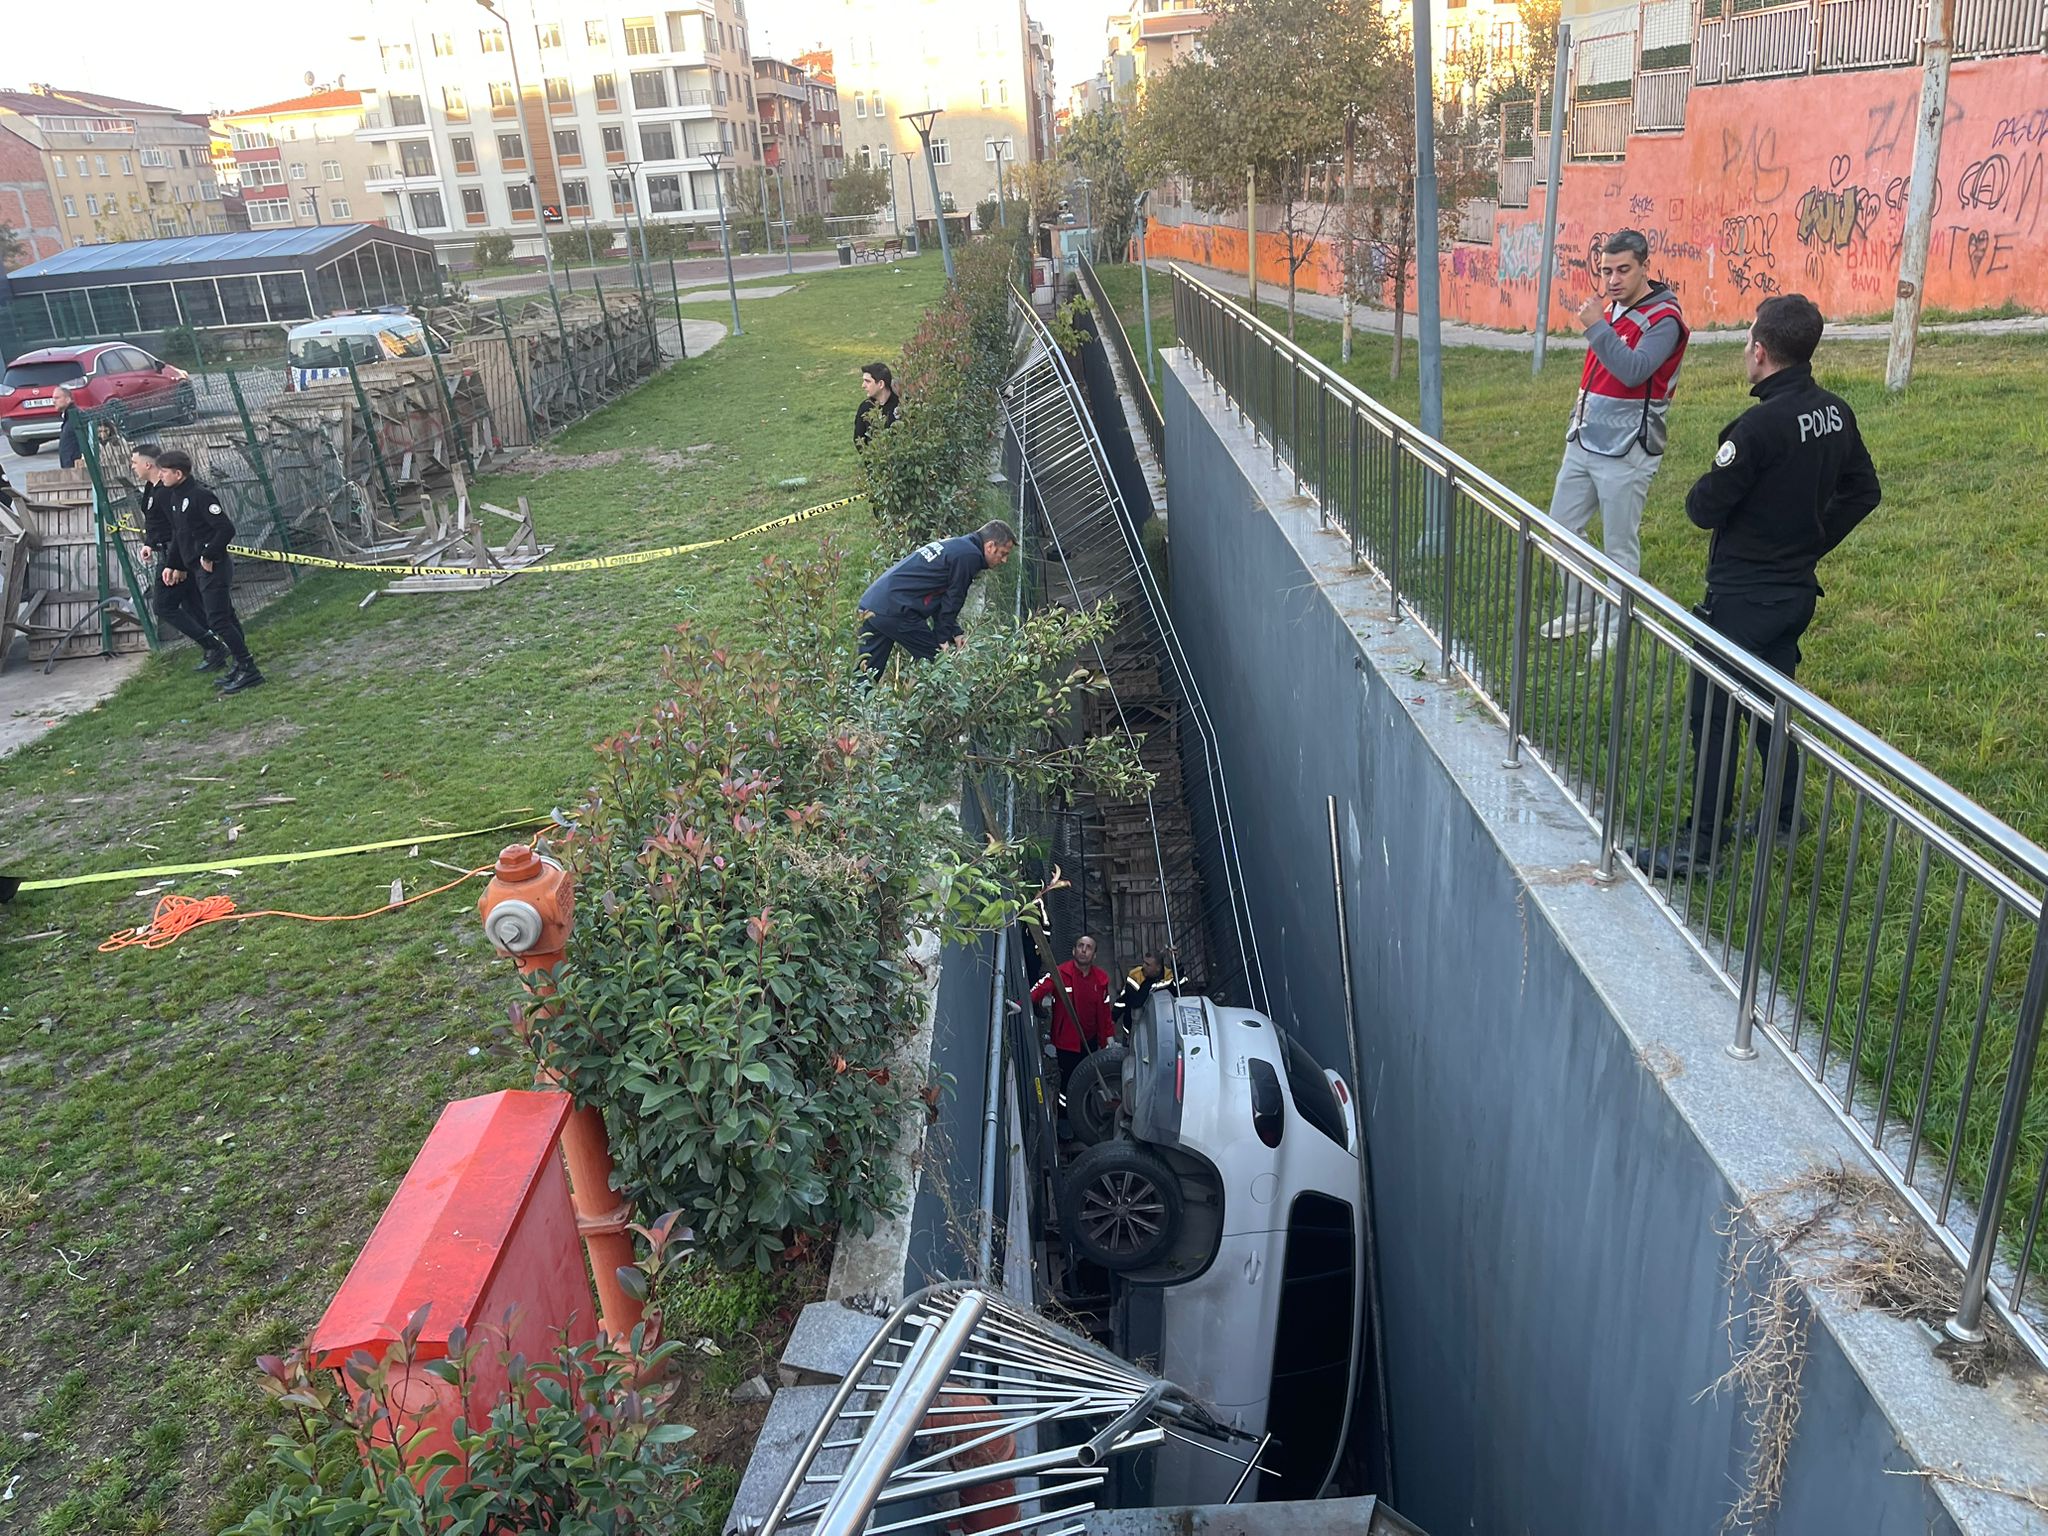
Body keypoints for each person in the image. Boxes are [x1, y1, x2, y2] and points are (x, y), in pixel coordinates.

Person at [1634, 294, 1880, 879]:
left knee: (1713, 714)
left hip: (1742, 596)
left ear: (1761, 351)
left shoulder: (1756, 428)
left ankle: (1701, 846)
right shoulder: (1836, 412)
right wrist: (1813, 539)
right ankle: (1785, 818)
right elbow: (1863, 490)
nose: (1746, 352)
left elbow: (1703, 508)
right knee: (1773, 706)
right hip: (1793, 591)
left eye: (1748, 343)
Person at [1544, 229, 1689, 657]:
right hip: (1585, 438)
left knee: (1618, 547)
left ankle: (1614, 627)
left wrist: (1596, 328)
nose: (1612, 279)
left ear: (1646, 266)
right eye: (1606, 270)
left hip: (1628, 448)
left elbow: (1634, 371)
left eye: (1623, 269)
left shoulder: (1664, 319)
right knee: (1560, 528)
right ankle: (1582, 609)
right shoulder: (1612, 309)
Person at [156, 449, 264, 695]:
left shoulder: (200, 496)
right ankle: (240, 662)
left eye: (164, 472)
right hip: (194, 566)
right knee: (225, 616)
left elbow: (225, 529)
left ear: (178, 473)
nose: (160, 476)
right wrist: (173, 565)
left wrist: (209, 554)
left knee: (218, 620)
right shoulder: (175, 498)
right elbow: (180, 535)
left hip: (213, 567)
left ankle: (249, 669)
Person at [856, 519, 1015, 676]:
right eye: (1003, 553)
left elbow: (939, 595)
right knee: (937, 667)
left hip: (872, 603)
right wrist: (942, 638)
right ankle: (919, 699)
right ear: (990, 546)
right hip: (896, 609)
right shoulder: (970, 556)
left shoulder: (957, 546)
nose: (1004, 560)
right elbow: (953, 599)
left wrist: (954, 631)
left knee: (866, 673)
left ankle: (856, 701)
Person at [130, 443, 232, 672]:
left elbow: (179, 529)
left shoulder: (168, 492)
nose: (132, 467)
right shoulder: (151, 487)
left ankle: (215, 645)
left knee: (164, 605)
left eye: (134, 462)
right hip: (169, 552)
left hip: (176, 555)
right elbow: (156, 522)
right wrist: (149, 543)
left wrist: (177, 564)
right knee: (194, 605)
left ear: (148, 464)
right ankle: (219, 650)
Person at [1018, 934, 1116, 1097]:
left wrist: (1108, 1037)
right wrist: (1020, 1005)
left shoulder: (1100, 980)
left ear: (1094, 955)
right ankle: (1064, 1116)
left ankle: (1085, 1112)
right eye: (1080, 946)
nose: (1084, 950)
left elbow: (1104, 1012)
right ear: (1073, 951)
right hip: (1066, 1043)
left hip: (1089, 1042)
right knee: (1067, 1083)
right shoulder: (1060, 974)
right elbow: (1038, 990)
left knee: (1088, 1080)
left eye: (1088, 947)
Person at [1115, 951, 1176, 1028]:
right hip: (1133, 1027)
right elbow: (1127, 1000)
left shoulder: (1168, 976)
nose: (1143, 966)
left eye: (1148, 964)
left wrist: (1175, 961)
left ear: (1158, 968)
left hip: (1160, 1026)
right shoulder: (1135, 975)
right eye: (1144, 962)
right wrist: (1113, 1018)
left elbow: (1181, 983)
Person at [853, 361, 901, 447]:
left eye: (868, 381)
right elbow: (859, 440)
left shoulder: (901, 405)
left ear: (880, 384)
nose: (863, 385)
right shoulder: (865, 408)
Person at [53, 386, 85, 470]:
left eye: (57, 398)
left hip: (76, 467)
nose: (53, 401)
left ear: (68, 399)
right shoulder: (68, 417)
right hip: (69, 468)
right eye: (53, 398)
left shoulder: (76, 417)